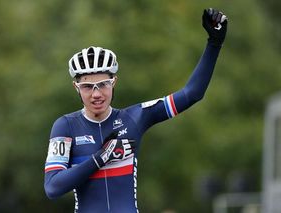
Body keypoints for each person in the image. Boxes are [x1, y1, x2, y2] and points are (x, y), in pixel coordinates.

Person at [44, 8, 228, 213]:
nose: (96, 94)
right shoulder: (66, 126)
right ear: (76, 88)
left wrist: (214, 43)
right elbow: (53, 187)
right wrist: (100, 157)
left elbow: (192, 94)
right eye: (87, 87)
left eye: (103, 84)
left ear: (114, 82)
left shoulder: (134, 117)